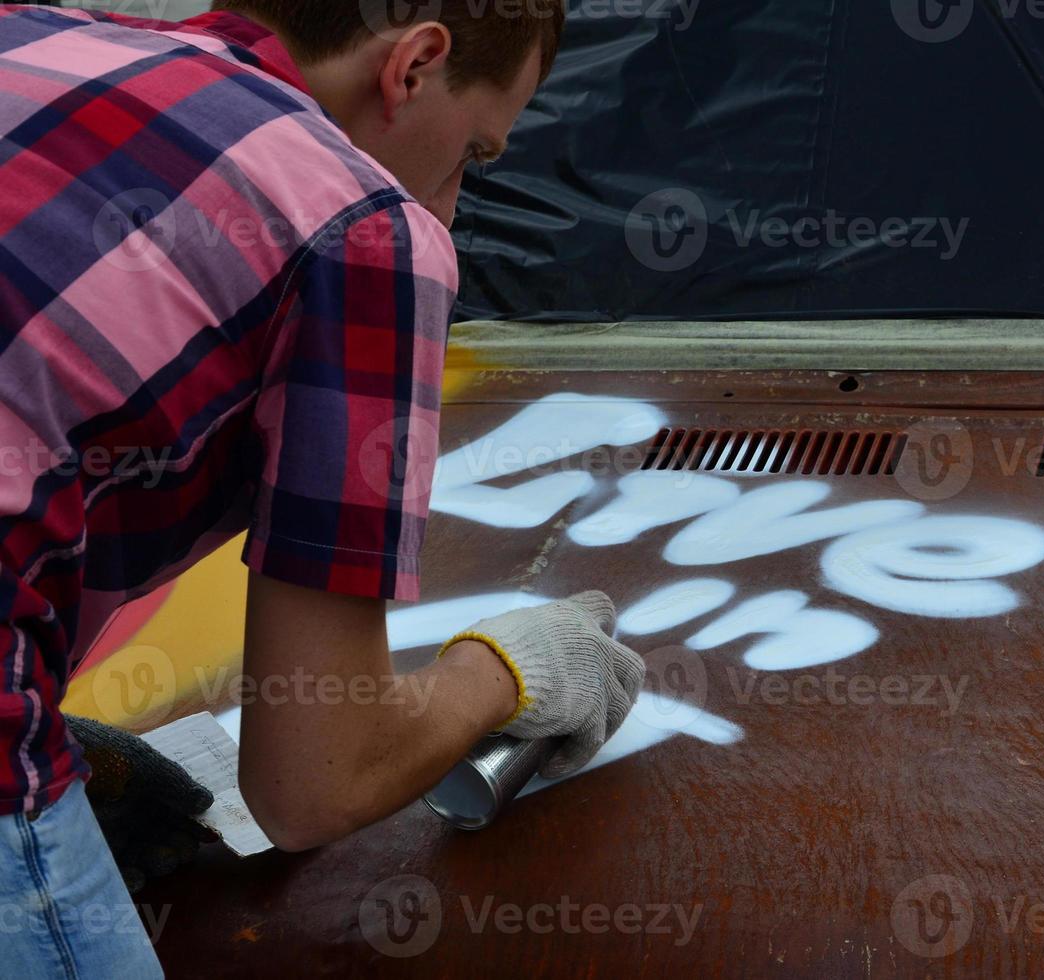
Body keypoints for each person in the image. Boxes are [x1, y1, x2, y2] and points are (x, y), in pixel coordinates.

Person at [0, 2, 645, 976]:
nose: (454, 203)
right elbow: (313, 782)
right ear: (415, 63)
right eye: (474, 152)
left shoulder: (32, 35)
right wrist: (513, 672)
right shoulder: (366, 226)